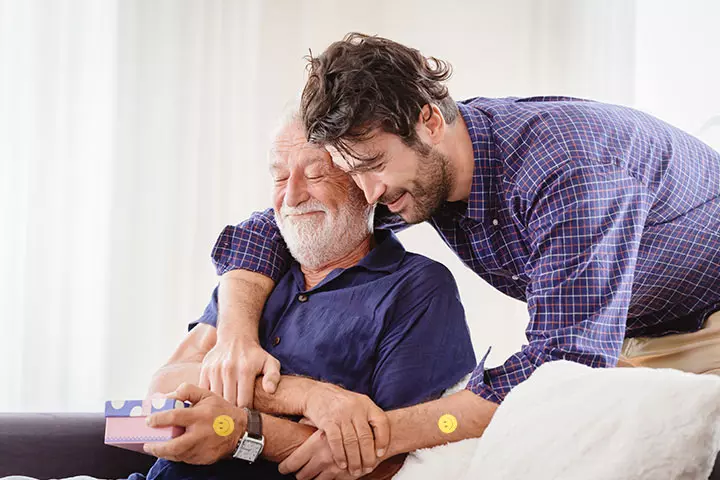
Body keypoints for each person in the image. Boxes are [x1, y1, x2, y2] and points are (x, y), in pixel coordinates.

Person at [198, 33, 720, 479]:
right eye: (350, 169)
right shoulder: (416, 174)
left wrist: (367, 437)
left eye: (374, 165)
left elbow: (562, 365)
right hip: (627, 330)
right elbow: (271, 228)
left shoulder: (567, 172)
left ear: (427, 122)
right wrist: (236, 341)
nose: (369, 192)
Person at [134, 114, 476, 480]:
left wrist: (242, 431)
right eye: (279, 177)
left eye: (315, 175)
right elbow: (162, 386)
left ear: (365, 184)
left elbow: (388, 463)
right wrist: (303, 395)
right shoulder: (256, 275)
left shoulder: (416, 287)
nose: (292, 196)